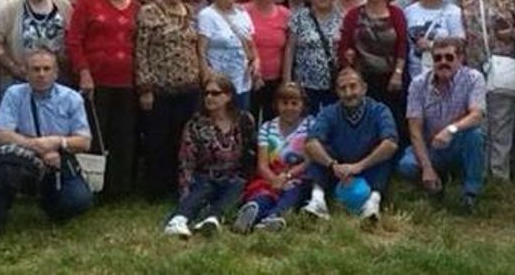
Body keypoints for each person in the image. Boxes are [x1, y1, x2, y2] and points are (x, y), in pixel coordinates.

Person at [0, 48, 93, 241]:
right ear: (26, 72)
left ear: (56, 73)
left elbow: (84, 141)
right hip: (23, 155)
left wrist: (58, 142)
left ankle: (49, 201)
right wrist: (37, 146)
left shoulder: (72, 98)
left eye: (46, 69)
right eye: (35, 69)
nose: (41, 74)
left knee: (79, 201)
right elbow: (1, 134)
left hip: (59, 157)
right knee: (7, 166)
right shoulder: (14, 94)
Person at [65, 0, 140, 198]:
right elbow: (74, 40)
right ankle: (93, 186)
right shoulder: (88, 3)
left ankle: (119, 188)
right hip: (95, 81)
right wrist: (84, 73)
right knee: (96, 134)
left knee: (124, 135)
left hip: (127, 82)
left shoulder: (136, 7)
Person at [135, 0, 202, 200]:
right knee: (157, 141)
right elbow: (141, 51)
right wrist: (145, 88)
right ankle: (156, 189)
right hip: (160, 90)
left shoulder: (191, 12)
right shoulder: (149, 12)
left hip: (189, 88)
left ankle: (180, 186)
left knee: (183, 141)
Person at [458, 0, 515, 180]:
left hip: (504, 65)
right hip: (473, 65)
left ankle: (499, 174)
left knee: (502, 122)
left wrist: (512, 33)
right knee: (479, 121)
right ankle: (478, 173)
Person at [163, 73, 256, 238]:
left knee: (237, 187)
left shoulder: (244, 120)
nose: (209, 97)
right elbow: (186, 161)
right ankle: (179, 219)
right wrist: (185, 193)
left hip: (234, 177)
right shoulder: (196, 124)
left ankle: (212, 219)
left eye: (215, 93)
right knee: (202, 188)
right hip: (205, 176)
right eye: (206, 93)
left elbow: (251, 152)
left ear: (228, 96)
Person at [398, 38, 485, 213]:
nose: (443, 62)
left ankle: (470, 193)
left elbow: (477, 115)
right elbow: (414, 129)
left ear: (460, 59)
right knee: (406, 165)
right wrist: (427, 168)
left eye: (449, 57)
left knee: (475, 135)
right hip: (432, 147)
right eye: (437, 58)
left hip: (459, 144)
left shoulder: (473, 78)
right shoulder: (418, 84)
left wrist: (450, 130)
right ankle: (435, 182)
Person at [302, 68, 399, 221]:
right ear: (337, 92)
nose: (348, 93)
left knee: (384, 153)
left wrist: (359, 166)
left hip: (368, 166)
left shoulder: (379, 110)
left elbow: (391, 143)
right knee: (317, 151)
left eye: (353, 86)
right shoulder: (329, 112)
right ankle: (318, 200)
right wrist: (332, 165)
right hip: (338, 169)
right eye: (343, 88)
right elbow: (310, 143)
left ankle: (372, 203)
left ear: (364, 88)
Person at [338, 0, 407, 143]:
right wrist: (350, 73)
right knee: (366, 122)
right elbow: (344, 48)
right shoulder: (353, 15)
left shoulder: (396, 13)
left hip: (392, 79)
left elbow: (402, 45)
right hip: (364, 79)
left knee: (394, 120)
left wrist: (398, 73)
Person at [232, 82, 313, 233]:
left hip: (298, 175)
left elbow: (309, 161)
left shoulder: (310, 125)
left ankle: (272, 218)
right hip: (270, 175)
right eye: (284, 103)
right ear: (277, 105)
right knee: (264, 194)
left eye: (294, 103)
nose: (289, 107)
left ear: (302, 105)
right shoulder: (267, 128)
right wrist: (274, 180)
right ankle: (253, 210)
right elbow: (262, 165)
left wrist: (287, 176)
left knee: (292, 192)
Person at [197, 0, 258, 112]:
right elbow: (201, 50)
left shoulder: (243, 14)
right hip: (218, 87)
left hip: (242, 84)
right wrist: (207, 77)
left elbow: (251, 46)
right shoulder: (207, 15)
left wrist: (256, 62)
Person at [283, 0, 343, 115]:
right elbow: (290, 49)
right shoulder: (299, 17)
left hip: (334, 85)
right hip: (304, 85)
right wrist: (287, 81)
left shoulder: (342, 18)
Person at [244, 0, 290, 124]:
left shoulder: (285, 14)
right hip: (249, 79)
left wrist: (286, 79)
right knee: (249, 120)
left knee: (273, 124)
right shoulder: (243, 12)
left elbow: (289, 49)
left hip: (275, 80)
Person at [404, 0, 465, 81]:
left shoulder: (453, 11)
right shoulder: (409, 11)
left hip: (446, 75)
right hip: (415, 76)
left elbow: (460, 43)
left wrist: (432, 45)